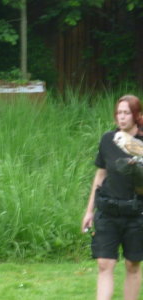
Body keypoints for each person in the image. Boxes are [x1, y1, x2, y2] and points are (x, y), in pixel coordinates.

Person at [82, 94, 143, 300]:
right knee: (104, 263)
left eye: (126, 113)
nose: (121, 117)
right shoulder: (108, 139)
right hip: (108, 211)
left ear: (136, 115)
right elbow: (100, 175)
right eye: (118, 113)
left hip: (136, 214)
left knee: (132, 265)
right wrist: (89, 211)